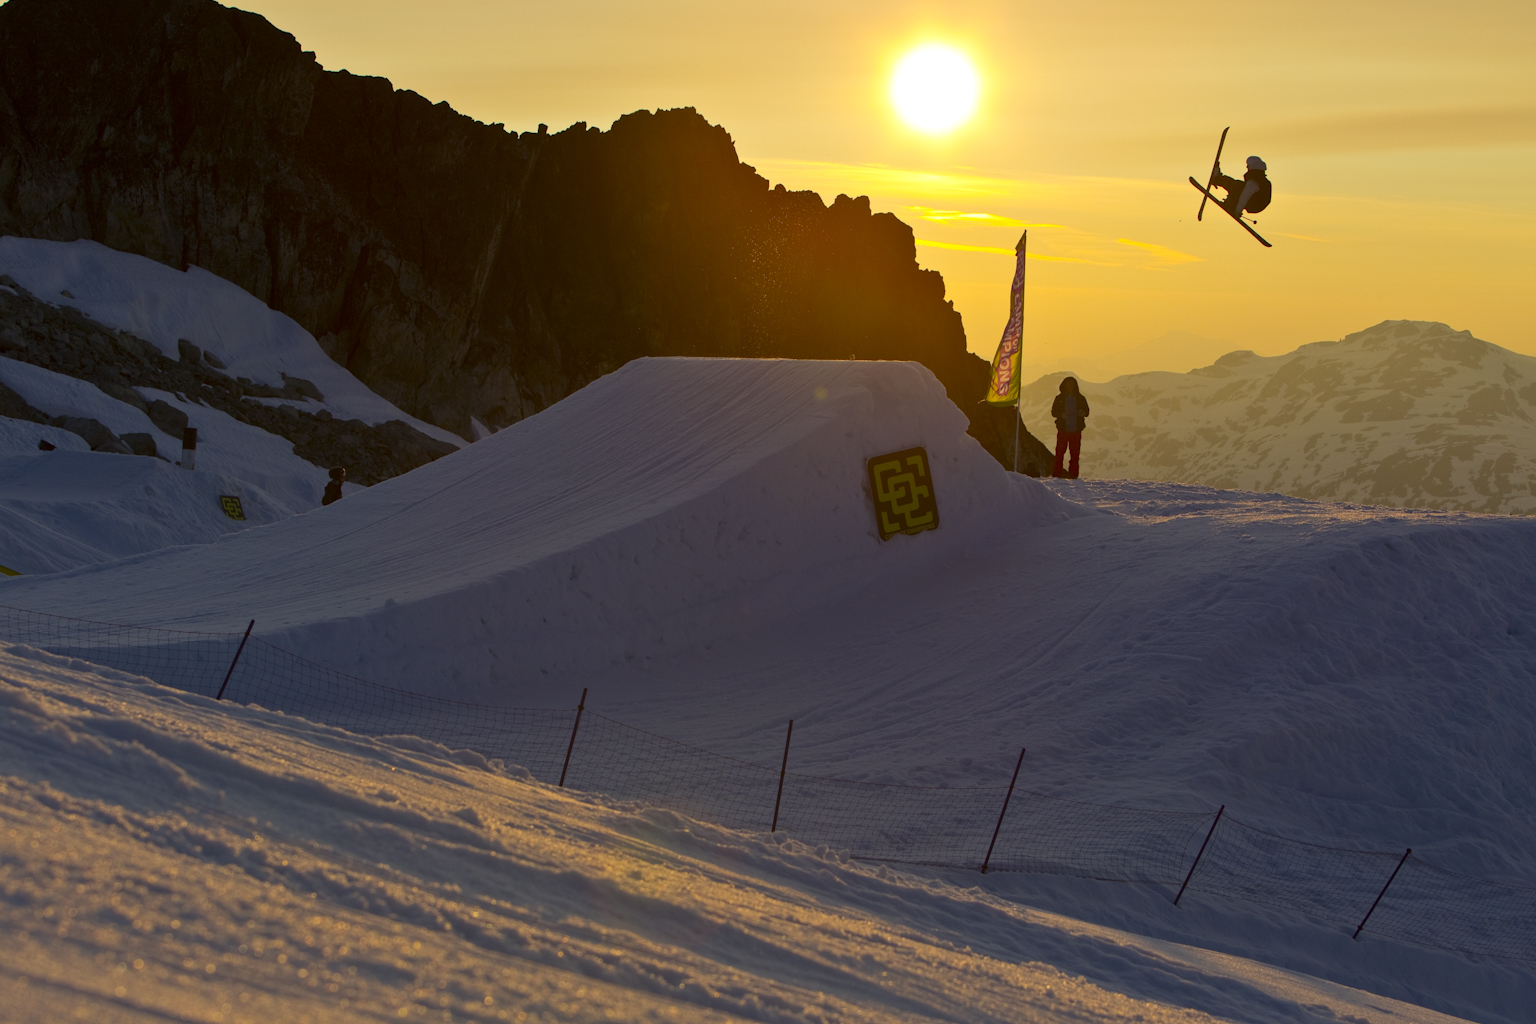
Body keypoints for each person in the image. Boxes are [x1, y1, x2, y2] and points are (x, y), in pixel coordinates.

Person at [1050, 377, 1089, 479]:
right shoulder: (1059, 399)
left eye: (1071, 385)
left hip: (1075, 430)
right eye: (1068, 384)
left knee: (1074, 454)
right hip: (1064, 430)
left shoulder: (1080, 399)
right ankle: (1057, 474)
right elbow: (1054, 412)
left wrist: (1082, 413)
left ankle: (1073, 475)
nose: (1070, 387)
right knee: (1060, 453)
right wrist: (1061, 415)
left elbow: (1087, 411)